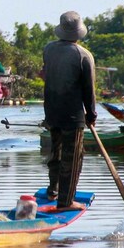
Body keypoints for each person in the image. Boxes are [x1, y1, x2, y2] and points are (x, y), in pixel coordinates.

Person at [42, 11, 97, 213]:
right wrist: (91, 115)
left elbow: (47, 73)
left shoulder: (48, 49)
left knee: (55, 153)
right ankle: (65, 202)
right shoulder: (84, 56)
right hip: (72, 115)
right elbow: (88, 90)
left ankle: (53, 191)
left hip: (52, 110)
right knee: (72, 159)